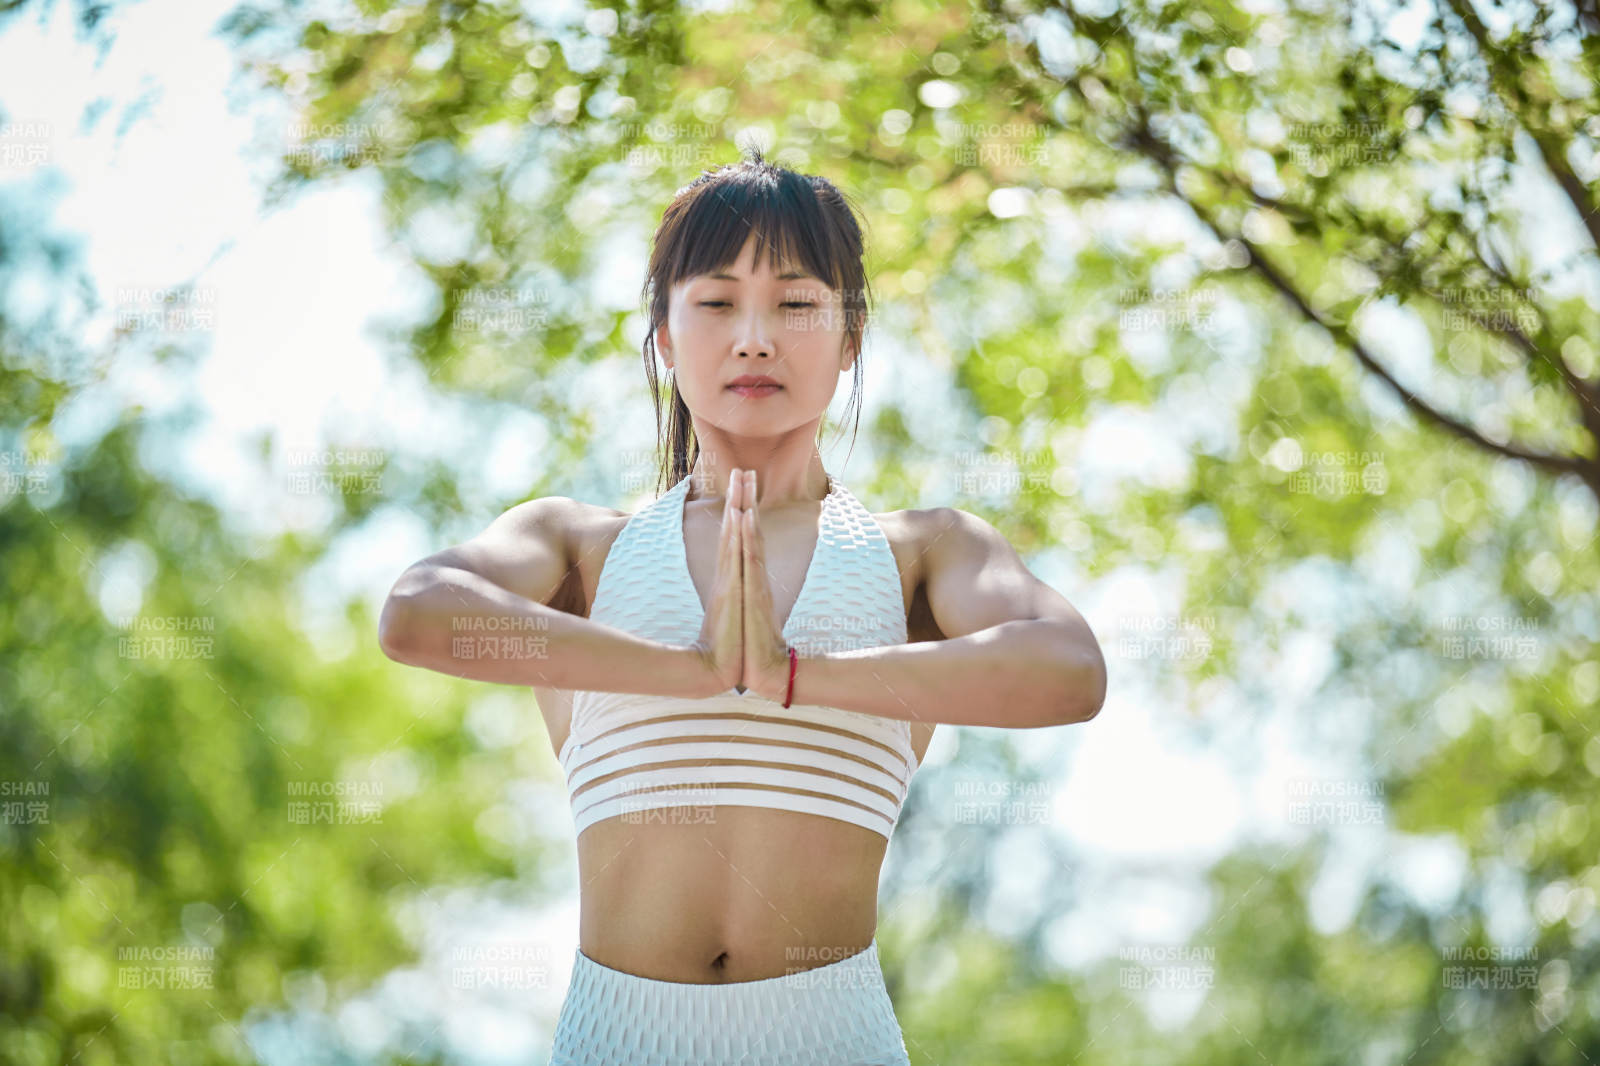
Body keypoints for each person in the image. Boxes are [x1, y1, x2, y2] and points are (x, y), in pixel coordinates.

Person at [378, 147, 1108, 1065]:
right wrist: (689, 669)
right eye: (718, 303)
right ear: (664, 333)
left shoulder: (920, 553)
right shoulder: (580, 546)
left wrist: (790, 673)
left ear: (850, 337)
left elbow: (1071, 671)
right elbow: (415, 612)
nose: (756, 338)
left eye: (796, 304)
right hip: (617, 1041)